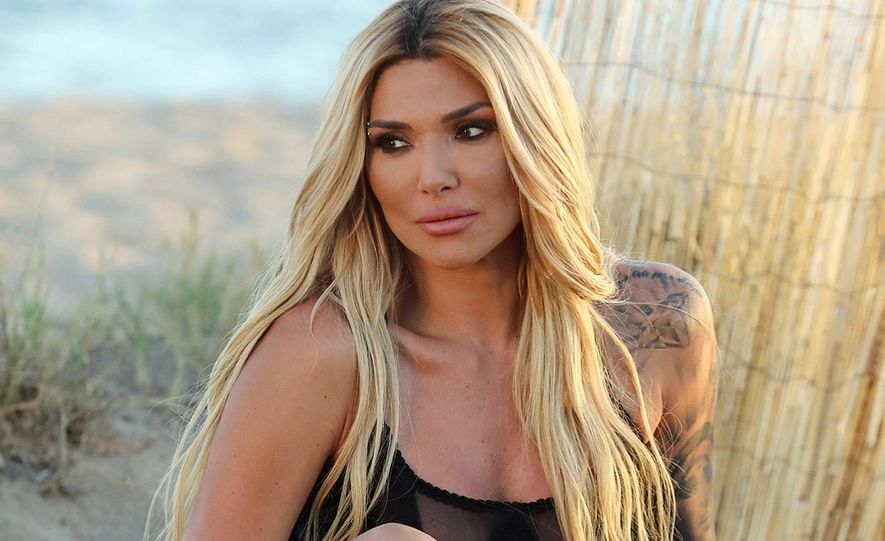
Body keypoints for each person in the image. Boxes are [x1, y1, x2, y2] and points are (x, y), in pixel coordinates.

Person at [146, 1, 718, 540]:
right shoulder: (322, 353)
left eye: (471, 131)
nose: (433, 178)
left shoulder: (657, 321)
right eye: (393, 143)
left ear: (536, 139)